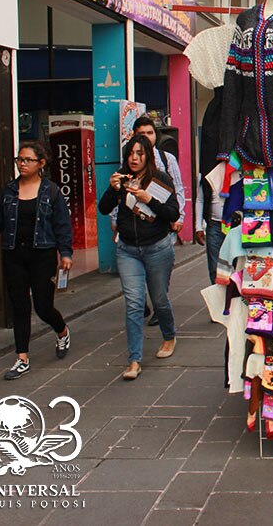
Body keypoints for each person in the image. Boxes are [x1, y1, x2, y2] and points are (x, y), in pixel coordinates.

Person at [0, 142, 72, 380]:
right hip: (14, 255)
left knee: (43, 307)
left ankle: (62, 330)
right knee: (20, 306)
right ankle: (22, 358)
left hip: (43, 255)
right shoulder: (7, 192)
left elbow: (62, 225)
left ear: (41, 164)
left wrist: (65, 253)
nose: (22, 164)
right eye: (20, 160)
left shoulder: (52, 192)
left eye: (28, 160)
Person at [99, 135, 179, 381]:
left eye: (139, 153)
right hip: (127, 249)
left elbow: (172, 213)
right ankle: (134, 360)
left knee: (159, 299)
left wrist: (149, 199)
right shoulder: (122, 180)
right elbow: (103, 208)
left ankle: (169, 335)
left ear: (148, 156)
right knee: (133, 303)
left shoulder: (160, 180)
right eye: (131, 154)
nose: (134, 158)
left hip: (157, 247)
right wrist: (113, 190)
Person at [114, 116, 186, 326]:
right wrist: (114, 221)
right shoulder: (129, 162)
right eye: (141, 134)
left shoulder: (166, 159)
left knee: (158, 278)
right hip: (130, 232)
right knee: (135, 280)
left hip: (160, 225)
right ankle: (140, 301)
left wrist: (178, 217)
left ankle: (158, 307)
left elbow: (178, 189)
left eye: (150, 133)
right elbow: (117, 195)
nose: (146, 137)